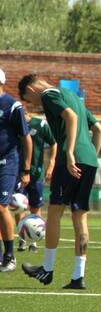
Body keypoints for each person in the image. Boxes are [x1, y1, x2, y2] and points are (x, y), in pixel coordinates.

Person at [19, 73, 101, 289]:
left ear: (30, 90)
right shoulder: (71, 95)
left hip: (70, 159)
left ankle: (46, 270)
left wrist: (71, 154)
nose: (33, 105)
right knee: (80, 217)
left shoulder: (48, 95)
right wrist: (90, 155)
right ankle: (78, 276)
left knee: (55, 213)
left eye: (29, 100)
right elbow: (99, 129)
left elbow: (71, 118)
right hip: (90, 160)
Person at [0, 68, 32, 273]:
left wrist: (26, 169)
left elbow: (26, 138)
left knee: (1, 207)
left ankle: (9, 256)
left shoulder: (12, 105)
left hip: (7, 163)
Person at [16, 107, 57, 253]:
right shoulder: (14, 124)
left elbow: (54, 143)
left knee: (35, 207)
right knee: (19, 205)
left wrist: (51, 164)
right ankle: (22, 239)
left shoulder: (40, 124)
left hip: (36, 173)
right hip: (18, 172)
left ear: (26, 113)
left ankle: (34, 239)